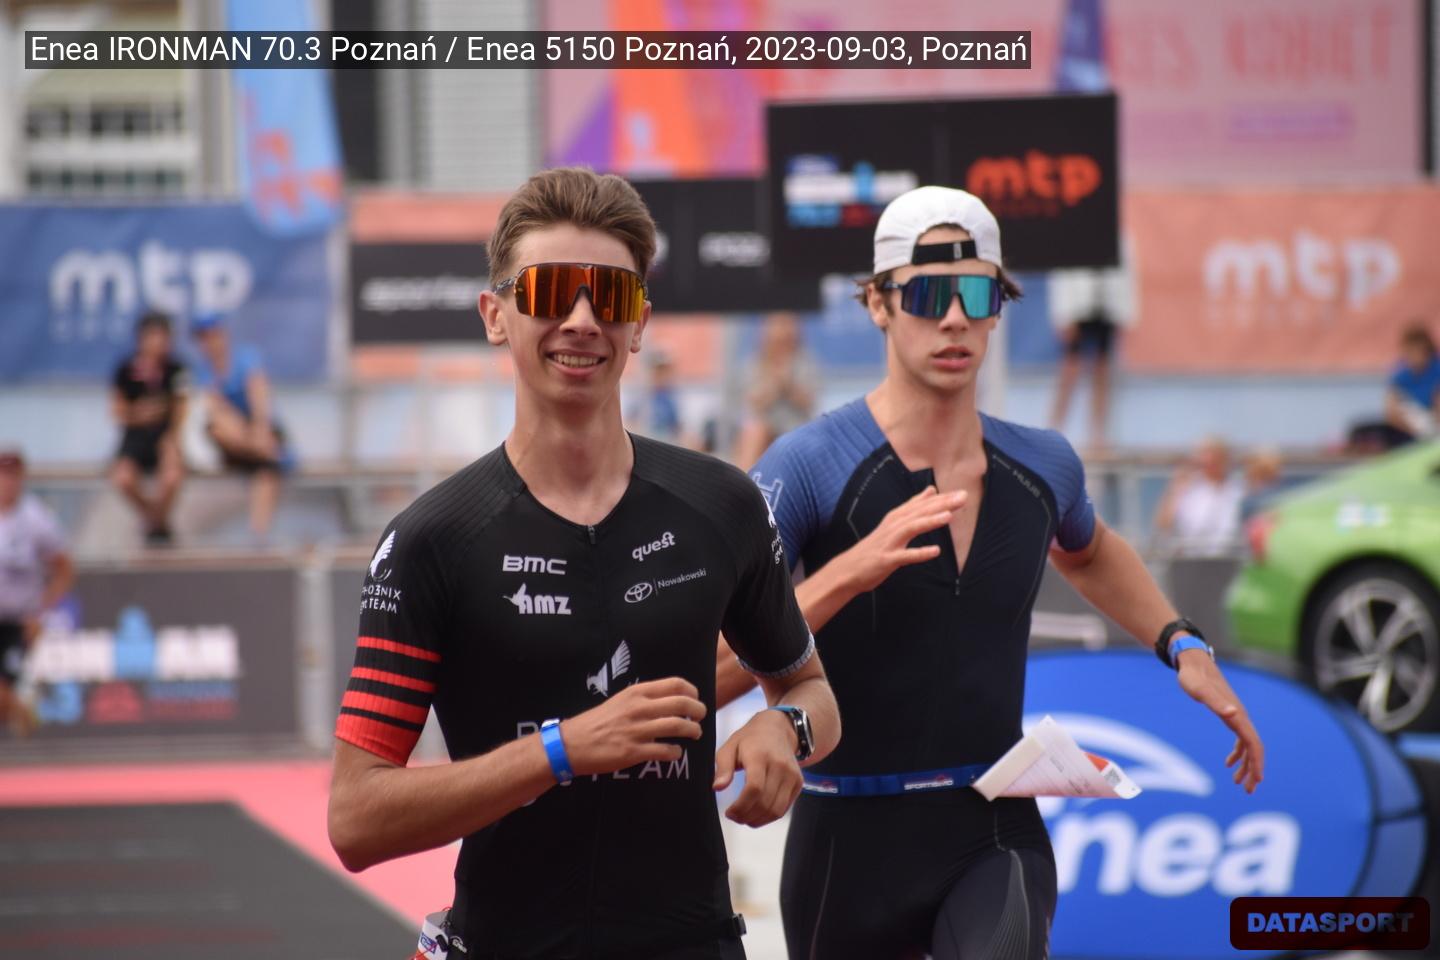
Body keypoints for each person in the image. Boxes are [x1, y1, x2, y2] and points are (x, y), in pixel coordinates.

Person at [718, 186, 1264, 960]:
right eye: (927, 295)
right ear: (877, 304)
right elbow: (713, 667)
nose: (954, 318)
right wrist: (847, 574)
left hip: (992, 831)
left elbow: (1090, 549)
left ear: (999, 309)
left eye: (977, 295)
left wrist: (1182, 643)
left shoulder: (1043, 464)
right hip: (845, 841)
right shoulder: (808, 466)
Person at [327, 167, 839, 959]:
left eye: (610, 296)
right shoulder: (432, 540)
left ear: (639, 324)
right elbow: (355, 818)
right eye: (549, 291)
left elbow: (811, 690)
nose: (580, 320)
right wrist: (559, 752)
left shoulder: (721, 505)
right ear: (495, 316)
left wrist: (784, 726)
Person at [189, 313, 292, 537]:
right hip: (241, 443)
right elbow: (217, 410)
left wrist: (259, 428)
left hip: (257, 437)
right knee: (219, 426)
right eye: (204, 338)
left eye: (213, 335)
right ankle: (266, 452)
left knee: (265, 473)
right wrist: (256, 442)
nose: (210, 342)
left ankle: (258, 537)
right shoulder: (203, 372)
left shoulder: (245, 358)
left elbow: (259, 395)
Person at [0, 450, 74, 736]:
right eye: (3, 475)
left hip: (17, 622)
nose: (7, 482)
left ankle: (20, 706)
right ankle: (21, 705)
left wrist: (41, 612)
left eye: (12, 476)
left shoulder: (35, 518)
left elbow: (64, 568)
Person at [109, 311, 189, 546]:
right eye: (154, 336)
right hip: (135, 437)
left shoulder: (176, 369)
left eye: (164, 336)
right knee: (123, 478)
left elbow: (182, 408)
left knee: (172, 477)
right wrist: (139, 414)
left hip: (164, 436)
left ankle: (155, 522)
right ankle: (156, 520)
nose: (159, 343)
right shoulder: (126, 369)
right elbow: (117, 410)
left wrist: (173, 439)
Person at [1046, 262, 1135, 450]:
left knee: (1102, 374)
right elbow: (1062, 274)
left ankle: (1098, 436)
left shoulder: (1117, 243)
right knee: (1070, 371)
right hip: (1077, 308)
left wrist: (1125, 313)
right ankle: (1053, 430)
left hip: (1107, 306)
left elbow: (1126, 269)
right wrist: (1063, 315)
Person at [731, 312, 819, 469]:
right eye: (777, 325)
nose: (782, 332)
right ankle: (743, 479)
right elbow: (754, 402)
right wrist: (775, 384)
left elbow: (808, 401)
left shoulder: (804, 361)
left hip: (795, 426)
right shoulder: (756, 362)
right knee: (754, 432)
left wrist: (787, 385)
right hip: (764, 427)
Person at [1153, 436, 1246, 557]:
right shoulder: (1188, 489)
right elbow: (1163, 524)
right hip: (1191, 556)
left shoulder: (1238, 489)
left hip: (1228, 557)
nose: (1208, 463)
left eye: (1215, 459)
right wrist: (1176, 489)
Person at [1384, 324, 1440, 441]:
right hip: (1414, 427)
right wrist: (1416, 432)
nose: (1414, 357)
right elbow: (1391, 410)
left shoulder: (1436, 368)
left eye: (1417, 351)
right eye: (1409, 352)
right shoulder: (1400, 372)